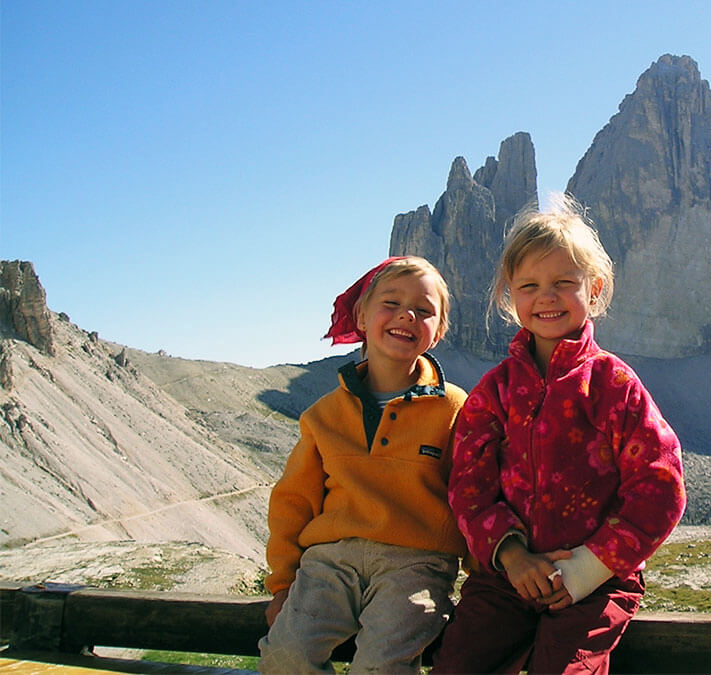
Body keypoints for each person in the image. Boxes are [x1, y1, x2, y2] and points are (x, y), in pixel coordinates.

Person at [434, 195, 686, 674]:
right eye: (529, 286)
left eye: (563, 283)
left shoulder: (614, 385)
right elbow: (468, 486)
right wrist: (512, 556)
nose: (546, 297)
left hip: (599, 582)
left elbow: (660, 486)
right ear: (510, 296)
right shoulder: (494, 392)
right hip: (508, 579)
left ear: (595, 288)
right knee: (459, 664)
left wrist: (585, 571)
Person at [258, 256, 468, 674]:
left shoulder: (455, 408)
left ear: (440, 330)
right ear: (361, 316)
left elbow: (472, 497)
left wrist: (482, 582)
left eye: (424, 310)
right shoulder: (323, 415)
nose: (406, 315)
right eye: (391, 303)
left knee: (381, 665)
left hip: (417, 565)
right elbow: (293, 501)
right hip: (328, 564)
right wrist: (282, 584)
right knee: (285, 656)